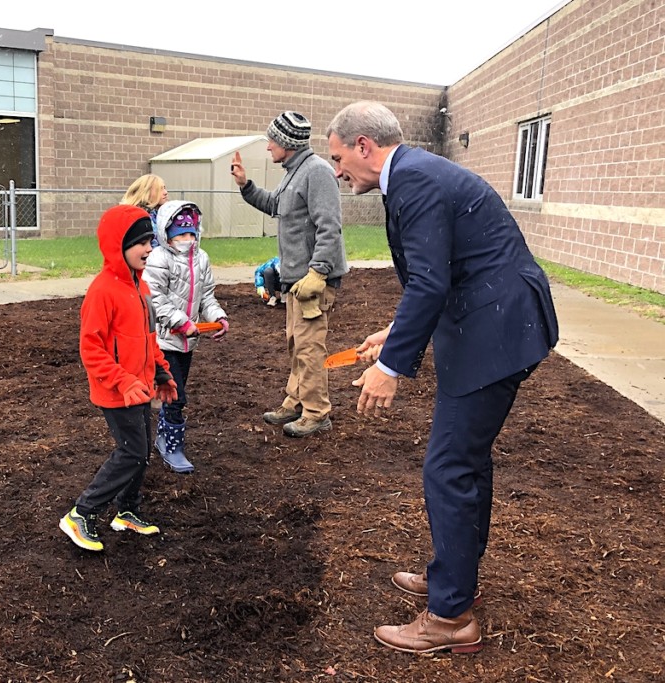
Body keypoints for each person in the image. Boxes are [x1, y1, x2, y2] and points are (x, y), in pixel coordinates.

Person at [325, 101, 559, 654]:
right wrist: (394, 332)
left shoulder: (413, 180)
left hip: (496, 333)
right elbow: (446, 272)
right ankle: (456, 580)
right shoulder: (415, 174)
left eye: (337, 157)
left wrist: (390, 368)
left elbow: (431, 283)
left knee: (448, 466)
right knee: (465, 462)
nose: (336, 170)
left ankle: (451, 616)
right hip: (497, 324)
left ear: (364, 145)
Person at [59, 204, 178, 552]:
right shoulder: (102, 291)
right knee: (132, 452)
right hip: (116, 391)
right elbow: (91, 350)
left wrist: (161, 373)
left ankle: (127, 511)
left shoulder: (141, 289)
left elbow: (148, 338)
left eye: (150, 242)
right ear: (118, 245)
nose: (148, 249)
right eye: (140, 242)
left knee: (140, 452)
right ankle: (82, 513)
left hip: (140, 386)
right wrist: (122, 380)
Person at [231, 111, 348, 437]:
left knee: (310, 348)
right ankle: (296, 400)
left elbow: (330, 226)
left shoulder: (318, 172)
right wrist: (245, 185)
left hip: (313, 280)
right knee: (297, 344)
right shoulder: (294, 172)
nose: (268, 146)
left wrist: (319, 272)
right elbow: (275, 206)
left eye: (272, 140)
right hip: (296, 279)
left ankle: (316, 412)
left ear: (286, 142)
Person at [143, 200, 228, 473]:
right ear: (166, 235)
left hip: (187, 342)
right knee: (176, 395)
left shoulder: (201, 258)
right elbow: (156, 299)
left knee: (172, 392)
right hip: (165, 340)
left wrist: (217, 317)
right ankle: (173, 447)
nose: (186, 240)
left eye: (191, 234)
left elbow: (206, 296)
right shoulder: (159, 259)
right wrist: (181, 322)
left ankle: (162, 436)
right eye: (180, 234)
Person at [120, 174, 168, 246]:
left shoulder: (160, 214)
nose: (165, 192)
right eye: (160, 189)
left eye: (164, 188)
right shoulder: (137, 217)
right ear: (146, 192)